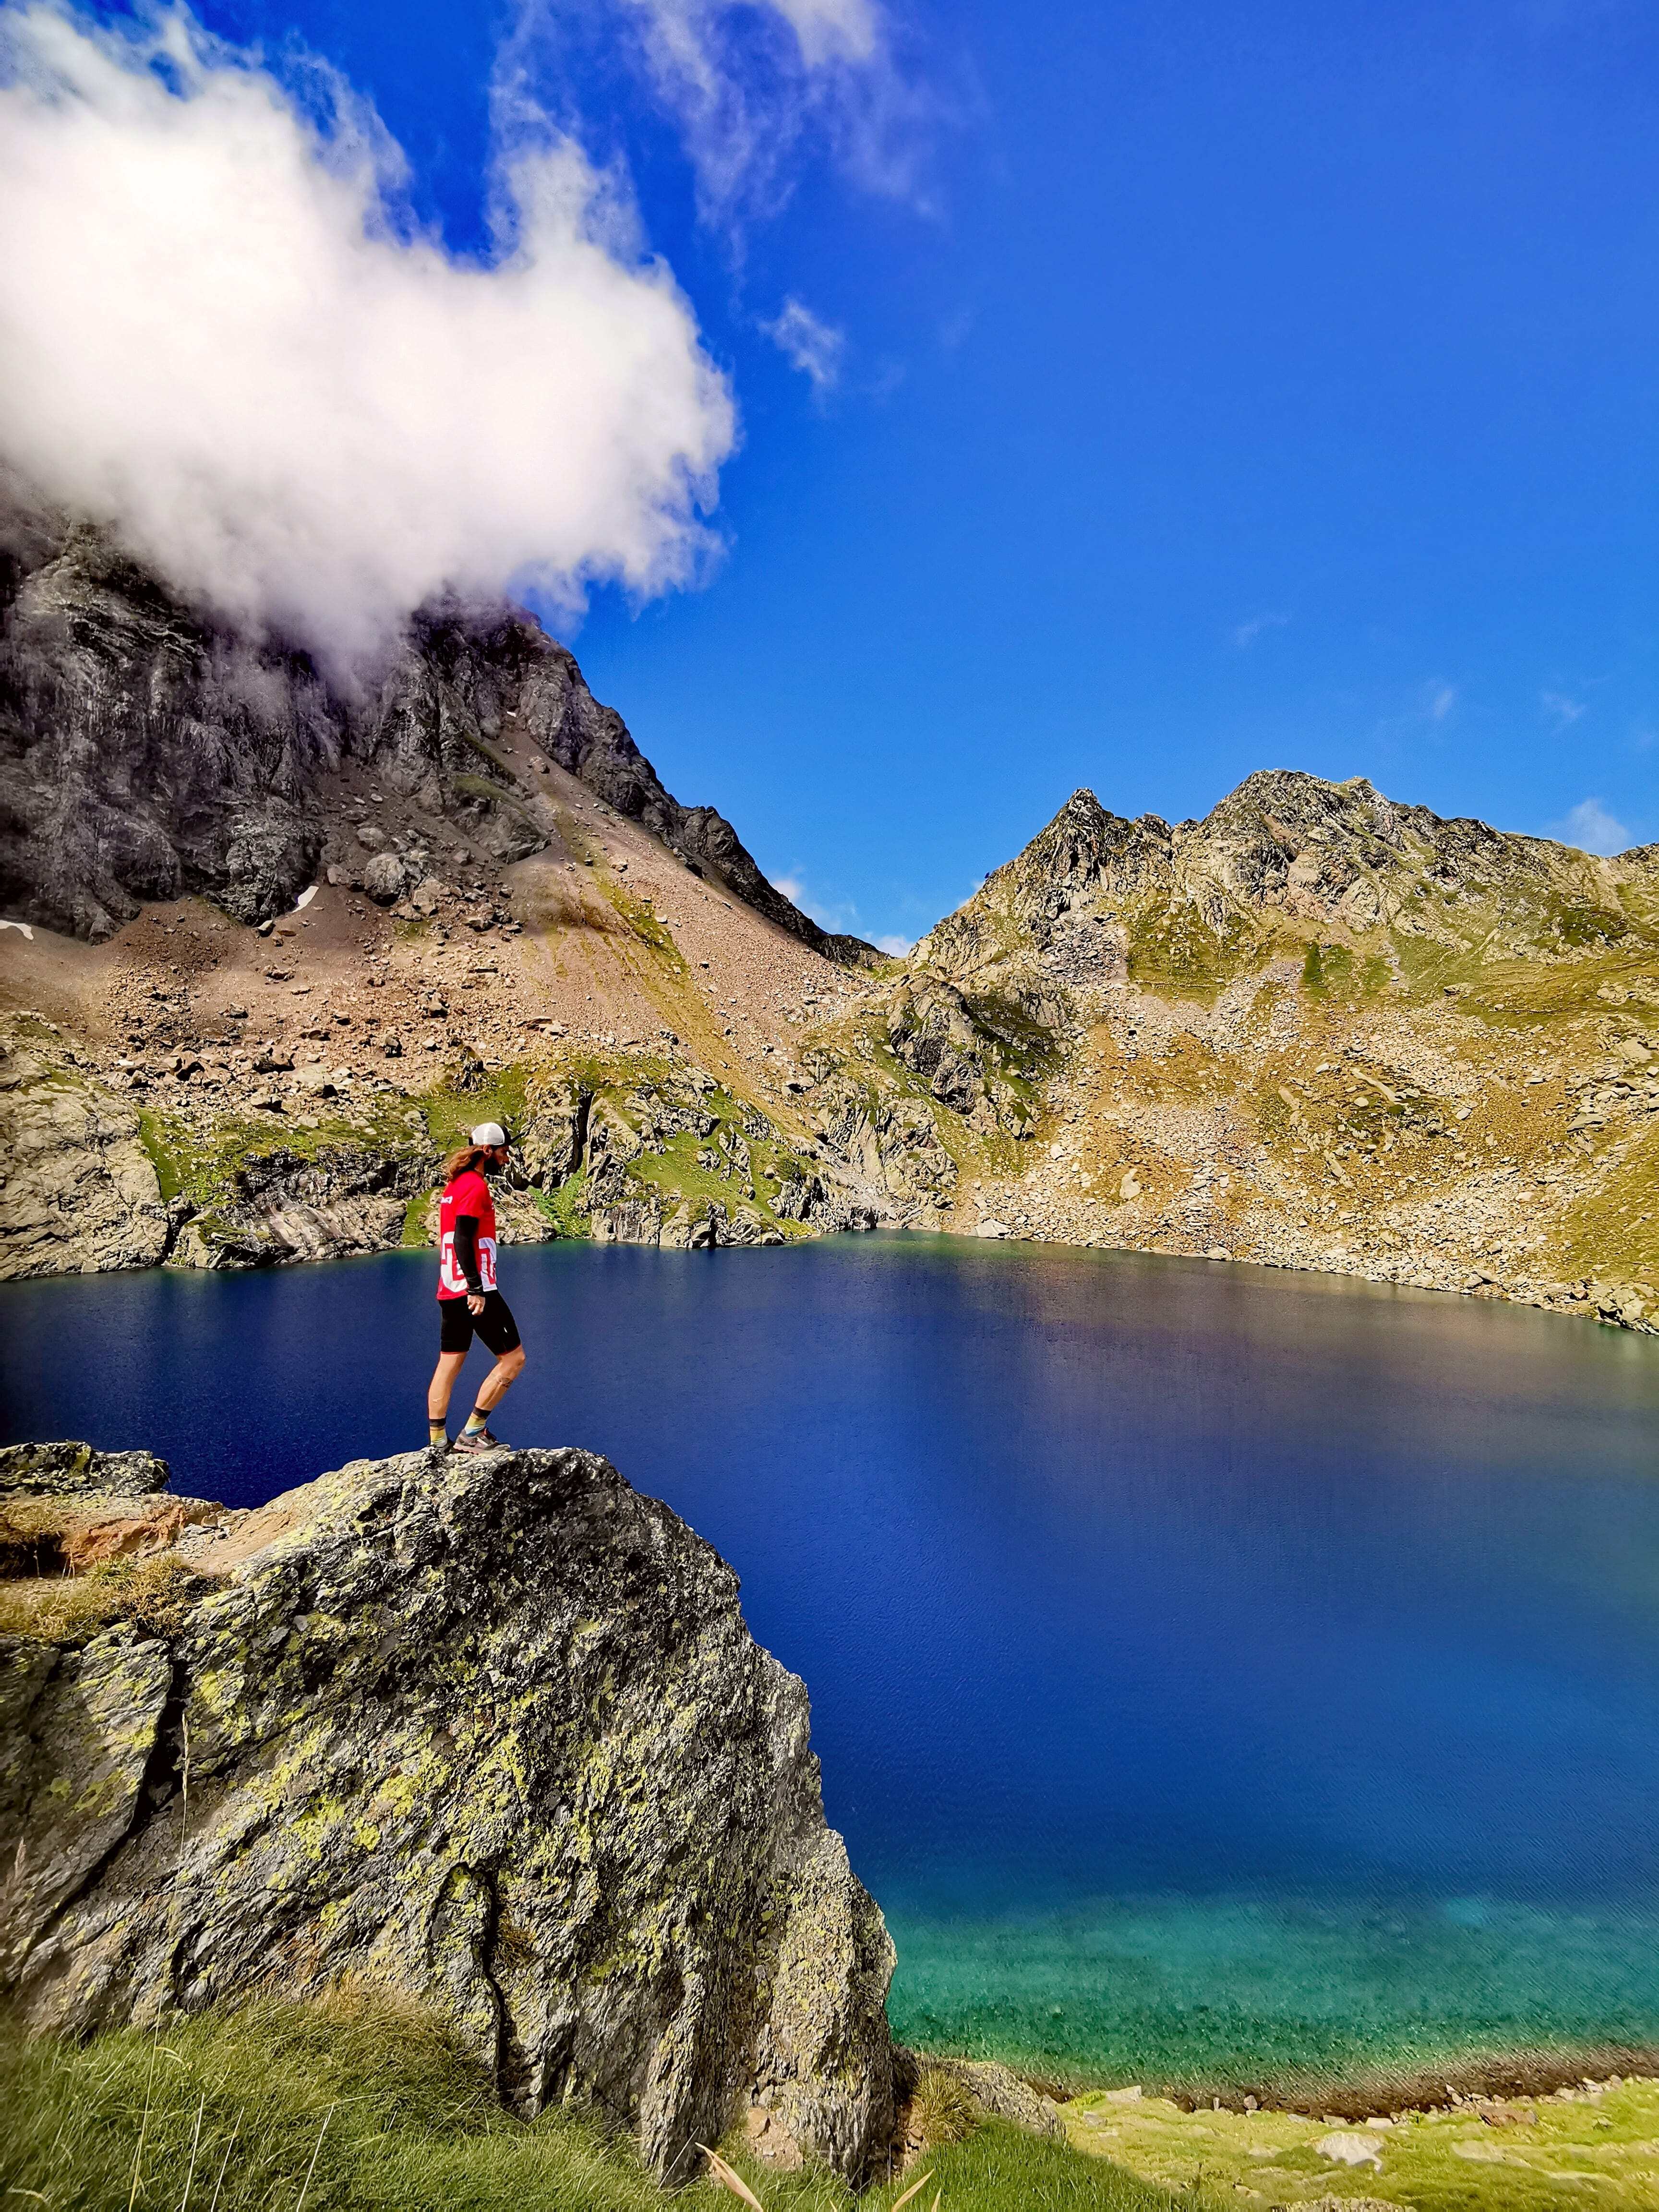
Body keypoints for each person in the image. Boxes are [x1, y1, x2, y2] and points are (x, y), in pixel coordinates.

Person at [427, 1123, 526, 1453]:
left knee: (450, 1362)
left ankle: (438, 1442)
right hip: (475, 1290)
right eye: (503, 1152)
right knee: (513, 1360)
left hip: (449, 1288)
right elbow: (462, 1237)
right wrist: (475, 1289)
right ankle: (473, 1432)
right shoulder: (474, 1186)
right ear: (488, 1152)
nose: (507, 1159)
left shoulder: (455, 1185)